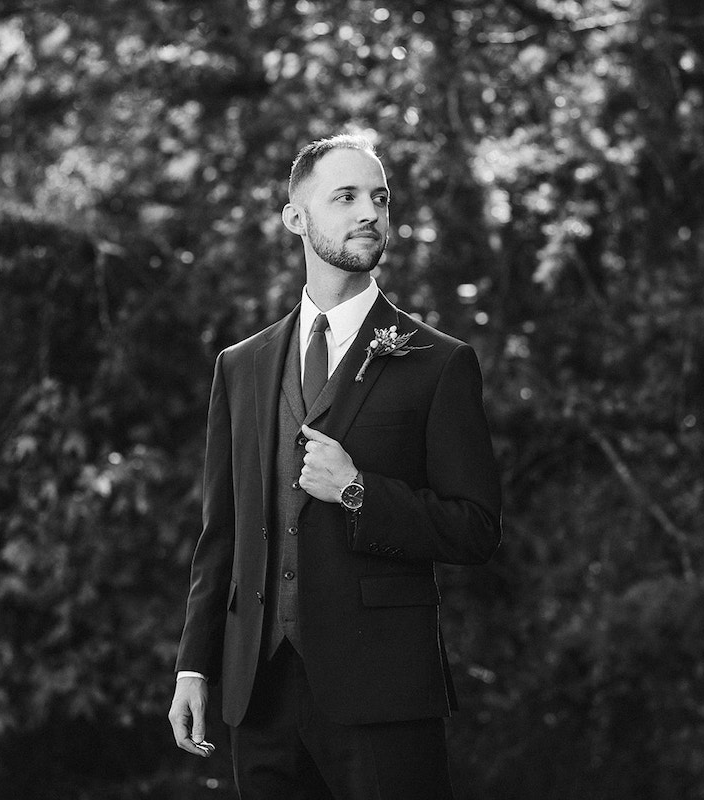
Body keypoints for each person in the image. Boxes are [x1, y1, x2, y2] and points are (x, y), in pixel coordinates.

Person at [167, 132, 502, 799]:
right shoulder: (242, 366)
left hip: (384, 694)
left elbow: (476, 528)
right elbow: (222, 534)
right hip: (258, 694)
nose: (368, 213)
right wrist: (193, 667)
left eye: (378, 198)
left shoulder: (437, 362)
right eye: (344, 197)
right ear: (296, 217)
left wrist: (356, 491)